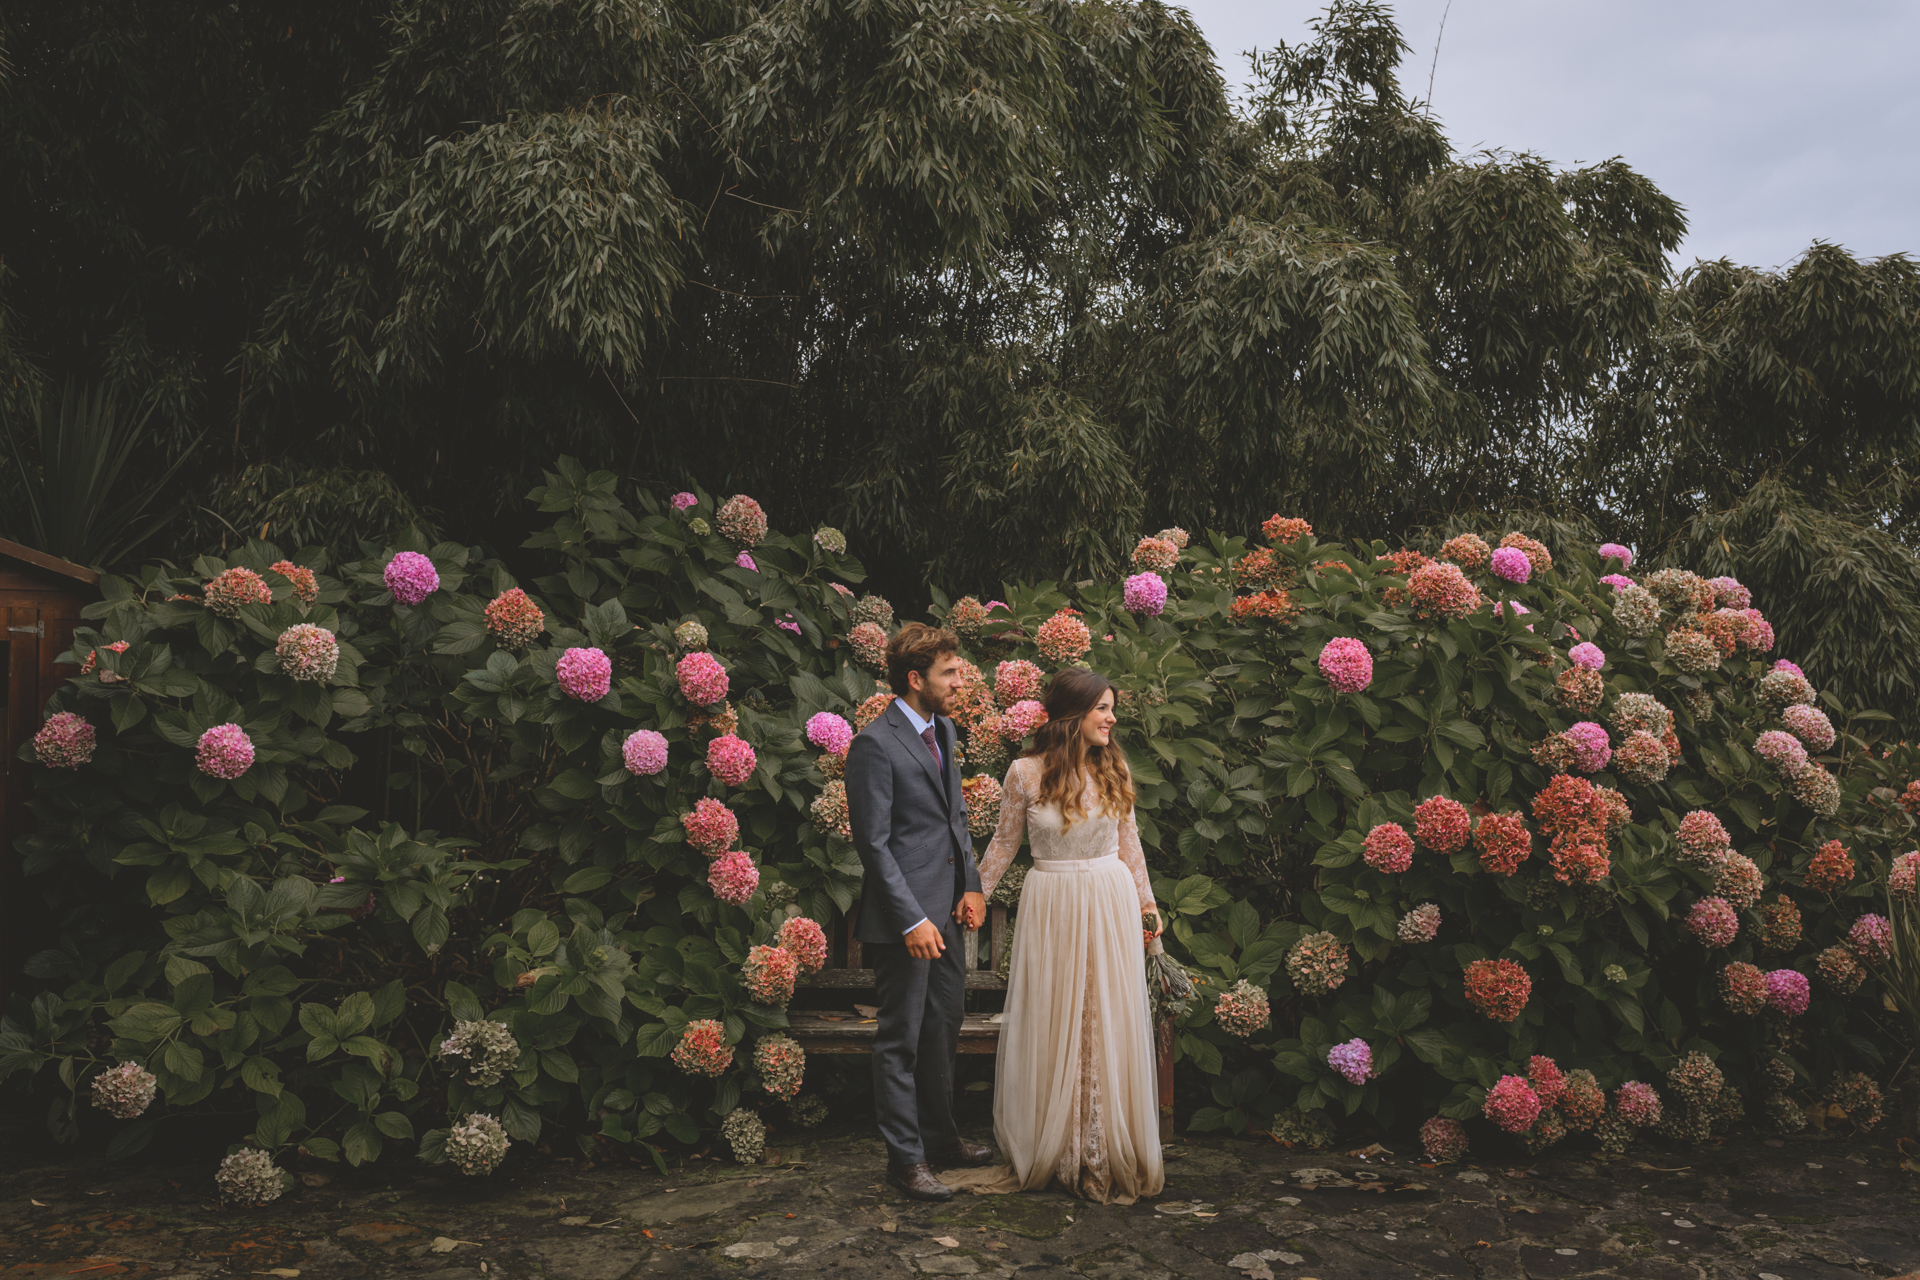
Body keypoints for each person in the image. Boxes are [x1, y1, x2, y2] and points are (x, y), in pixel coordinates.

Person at [942, 668, 1166, 1204]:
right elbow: (1001, 845)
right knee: (1057, 1017)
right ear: (1072, 715)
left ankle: (1103, 1144)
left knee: (1103, 1018)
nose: (1112, 718)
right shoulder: (1023, 773)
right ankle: (1060, 1143)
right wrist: (976, 895)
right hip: (1052, 906)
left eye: (1113, 709)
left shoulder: (1114, 767)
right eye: (1103, 709)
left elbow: (1130, 846)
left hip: (1108, 900)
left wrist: (1147, 904)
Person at [844, 622, 994, 1202]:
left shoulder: (945, 730)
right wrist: (910, 919)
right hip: (906, 922)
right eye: (949, 673)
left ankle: (940, 1138)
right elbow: (873, 844)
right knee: (900, 1040)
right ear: (915, 679)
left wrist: (973, 885)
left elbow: (955, 818)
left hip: (950, 915)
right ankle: (905, 1162)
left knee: (942, 1032)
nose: (960, 681)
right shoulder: (874, 745)